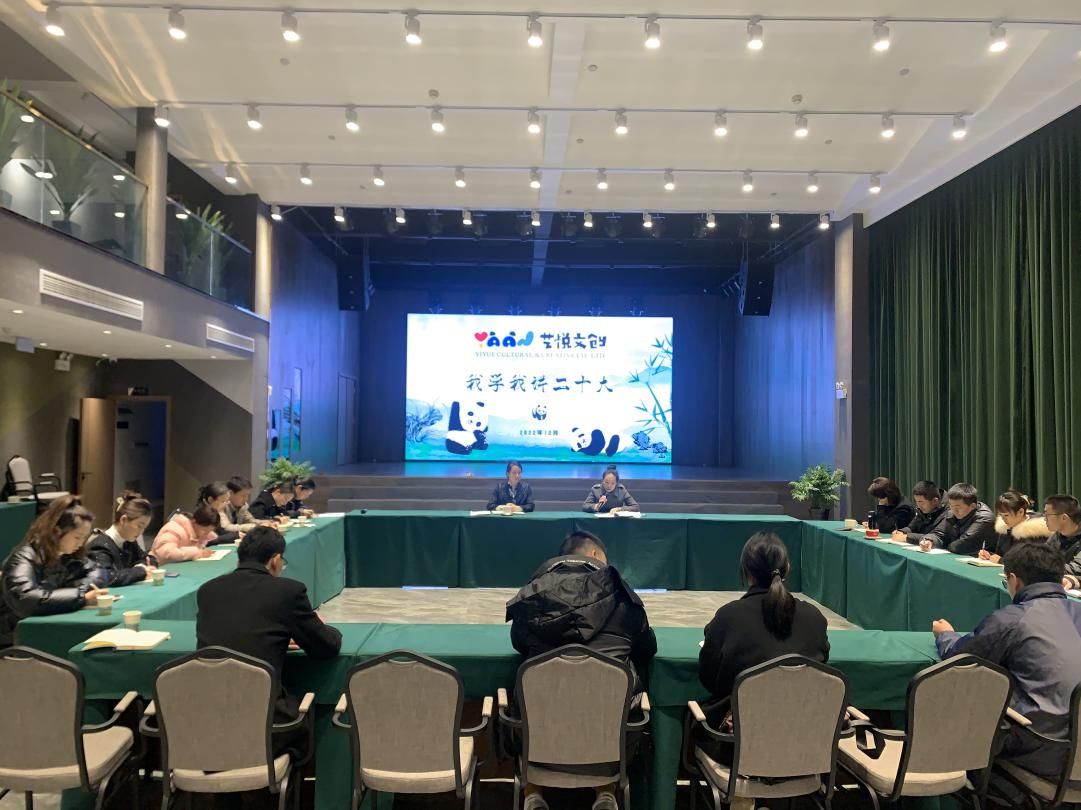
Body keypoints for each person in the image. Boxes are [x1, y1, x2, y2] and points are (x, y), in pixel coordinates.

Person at [505, 530, 655, 810]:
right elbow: (647, 649)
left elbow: (519, 643)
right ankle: (605, 791)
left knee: (524, 695)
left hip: (537, 740)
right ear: (596, 555)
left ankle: (533, 793)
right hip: (613, 741)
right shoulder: (624, 599)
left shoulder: (532, 597)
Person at [933, 543, 1081, 782]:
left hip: (1045, 752)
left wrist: (945, 635)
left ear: (1014, 580)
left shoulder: (1013, 619)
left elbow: (960, 658)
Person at [196, 526, 342, 744]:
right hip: (264, 725)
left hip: (206, 722)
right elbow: (326, 647)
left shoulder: (208, 590)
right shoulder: (287, 592)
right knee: (306, 718)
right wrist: (327, 628)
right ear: (275, 560)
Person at [699, 531, 830, 707]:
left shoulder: (727, 617)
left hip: (744, 721)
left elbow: (709, 679)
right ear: (787, 568)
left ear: (745, 570)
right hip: (810, 719)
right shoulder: (814, 617)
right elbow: (823, 662)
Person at [0, 496, 108, 647]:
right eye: (77, 537)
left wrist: (81, 590)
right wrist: (80, 596)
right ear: (57, 531)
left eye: (84, 538)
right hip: (15, 639)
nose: (81, 543)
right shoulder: (24, 556)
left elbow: (98, 570)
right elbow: (25, 598)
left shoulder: (67, 552)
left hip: (44, 628)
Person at [87, 492, 154, 586]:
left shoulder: (129, 541)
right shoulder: (99, 546)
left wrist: (142, 565)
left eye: (144, 528)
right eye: (139, 526)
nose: (141, 532)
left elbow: (147, 558)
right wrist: (141, 571)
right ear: (123, 520)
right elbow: (107, 577)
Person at [918, 483, 996, 556]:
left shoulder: (985, 518)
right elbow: (939, 533)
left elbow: (960, 546)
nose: (953, 510)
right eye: (951, 505)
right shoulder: (952, 512)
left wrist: (945, 543)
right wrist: (929, 541)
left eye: (957, 507)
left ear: (972, 506)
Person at [979, 489, 1051, 563]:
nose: (1003, 519)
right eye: (1001, 515)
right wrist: (989, 555)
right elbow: (1000, 554)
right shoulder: (1005, 528)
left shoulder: (1037, 532)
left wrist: (1002, 561)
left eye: (1006, 515)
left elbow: (1033, 562)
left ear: (1020, 512)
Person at [149, 505, 219, 563]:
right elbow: (165, 553)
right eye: (204, 530)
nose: (207, 534)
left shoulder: (203, 534)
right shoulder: (174, 529)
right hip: (159, 568)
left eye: (210, 531)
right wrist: (196, 552)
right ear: (194, 522)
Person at [1044, 495, 1081, 590]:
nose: (1044, 519)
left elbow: (1076, 568)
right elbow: (1042, 557)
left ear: (1064, 518)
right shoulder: (1057, 536)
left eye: (1047, 515)